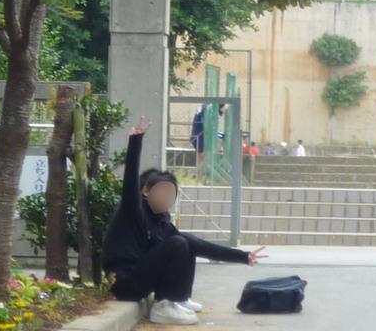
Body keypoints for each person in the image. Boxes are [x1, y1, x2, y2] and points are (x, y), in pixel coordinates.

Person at [102, 117, 268, 325]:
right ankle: (163, 306)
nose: (166, 198)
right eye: (162, 191)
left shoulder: (160, 221)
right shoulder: (132, 210)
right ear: (145, 191)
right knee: (178, 242)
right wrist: (135, 142)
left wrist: (243, 256)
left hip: (139, 275)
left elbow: (199, 245)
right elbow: (129, 185)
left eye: (171, 194)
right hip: (123, 281)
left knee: (185, 241)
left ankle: (178, 299)